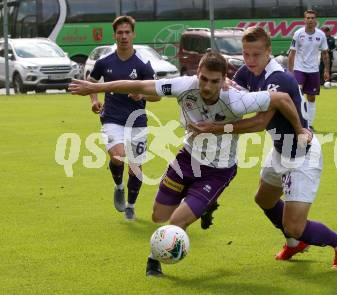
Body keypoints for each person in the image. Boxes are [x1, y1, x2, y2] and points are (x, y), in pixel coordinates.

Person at [69, 51, 310, 276]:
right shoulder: (184, 86)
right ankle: (205, 205)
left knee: (178, 221)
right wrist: (95, 87)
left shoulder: (237, 100)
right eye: (203, 79)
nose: (207, 86)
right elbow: (138, 85)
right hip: (186, 158)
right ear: (198, 74)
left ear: (223, 79)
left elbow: (282, 98)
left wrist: (301, 129)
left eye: (214, 81)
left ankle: (154, 259)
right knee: (158, 216)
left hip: (218, 170)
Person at [191, 27, 337, 269]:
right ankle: (294, 243)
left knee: (295, 226)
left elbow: (259, 122)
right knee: (264, 199)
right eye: (246, 54)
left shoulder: (277, 79)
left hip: (301, 155)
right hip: (280, 150)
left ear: (268, 51)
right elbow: (230, 98)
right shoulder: (249, 71)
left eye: (256, 55)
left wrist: (215, 128)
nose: (249, 60)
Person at [86, 16, 157, 221]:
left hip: (137, 121)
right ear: (114, 35)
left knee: (135, 169)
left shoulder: (143, 64)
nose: (124, 36)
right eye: (120, 33)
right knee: (118, 157)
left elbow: (157, 96)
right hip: (112, 119)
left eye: (127, 32)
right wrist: (94, 100)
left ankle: (131, 207)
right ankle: (118, 186)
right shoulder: (104, 62)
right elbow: (91, 83)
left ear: (133, 35)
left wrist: (142, 95)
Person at [288, 10, 330, 131]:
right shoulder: (298, 34)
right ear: (304, 20)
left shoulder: (321, 35)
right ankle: (299, 123)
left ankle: (310, 125)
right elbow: (292, 53)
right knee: (298, 95)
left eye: (312, 18)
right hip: (299, 69)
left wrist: (326, 70)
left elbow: (325, 54)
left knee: (311, 97)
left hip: (313, 70)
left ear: (315, 20)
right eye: (308, 18)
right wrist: (290, 72)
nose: (310, 20)